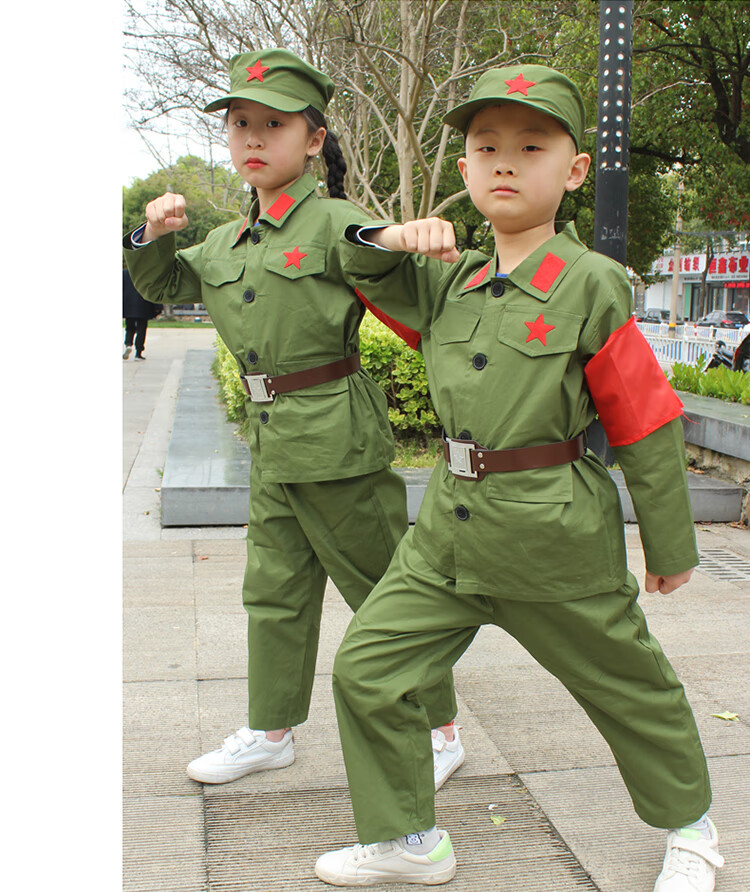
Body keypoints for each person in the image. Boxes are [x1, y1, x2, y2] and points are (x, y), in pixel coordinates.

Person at [314, 64, 723, 892]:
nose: (505, 161)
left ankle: (692, 830)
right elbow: (356, 266)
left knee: (628, 687)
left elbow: (642, 419)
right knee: (368, 669)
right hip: (448, 537)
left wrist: (669, 543)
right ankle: (408, 837)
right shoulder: (448, 279)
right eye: (485, 146)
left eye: (531, 145)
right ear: (463, 170)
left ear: (573, 171)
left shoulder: (591, 283)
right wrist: (389, 236)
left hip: (554, 538)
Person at [123, 49, 462, 790]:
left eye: (272, 125)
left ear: (312, 141)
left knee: (383, 588)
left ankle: (438, 728)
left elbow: (369, 245)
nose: (251, 138)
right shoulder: (230, 240)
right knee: (273, 590)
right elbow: (167, 284)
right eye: (241, 123)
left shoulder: (335, 220)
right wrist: (152, 236)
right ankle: (271, 728)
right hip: (271, 440)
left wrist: (408, 236)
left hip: (336, 439)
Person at [122, 268, 161, 360]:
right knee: (141, 329)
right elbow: (153, 290)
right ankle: (138, 353)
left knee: (129, 327)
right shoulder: (147, 273)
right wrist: (158, 307)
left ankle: (128, 344)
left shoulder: (124, 273)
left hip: (128, 305)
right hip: (143, 305)